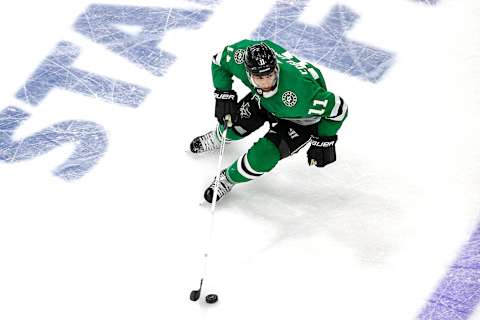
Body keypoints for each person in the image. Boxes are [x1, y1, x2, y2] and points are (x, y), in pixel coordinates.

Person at [190, 39, 348, 203]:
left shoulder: (303, 92)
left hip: (300, 120)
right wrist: (223, 93)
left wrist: (324, 139)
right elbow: (218, 60)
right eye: (259, 77)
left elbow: (338, 109)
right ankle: (218, 137)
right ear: (248, 72)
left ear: (276, 69)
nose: (266, 83)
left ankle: (227, 179)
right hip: (266, 102)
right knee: (231, 126)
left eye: (270, 75)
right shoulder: (240, 56)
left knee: (263, 157)